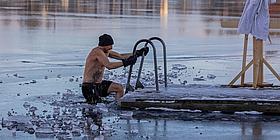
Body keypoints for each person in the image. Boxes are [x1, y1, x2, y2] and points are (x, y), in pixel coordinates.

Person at [82, 34, 149, 104]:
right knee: (95, 107)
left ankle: (119, 105)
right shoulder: (97, 52)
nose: (111, 47)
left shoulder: (106, 52)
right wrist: (126, 63)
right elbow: (109, 65)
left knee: (119, 88)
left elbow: (121, 56)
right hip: (89, 87)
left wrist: (137, 53)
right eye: (110, 45)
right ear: (104, 44)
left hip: (99, 85)